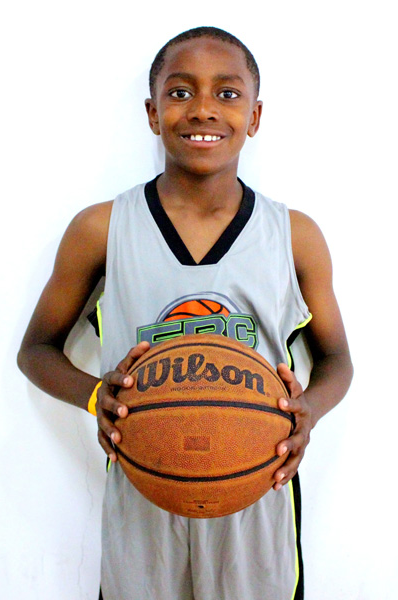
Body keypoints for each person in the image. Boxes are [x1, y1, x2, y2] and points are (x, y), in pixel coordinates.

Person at [18, 26, 353, 600]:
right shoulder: (101, 228)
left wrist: (308, 412)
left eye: (228, 93)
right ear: (152, 113)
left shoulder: (294, 235)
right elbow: (36, 350)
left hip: (258, 493)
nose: (203, 109)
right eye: (179, 92)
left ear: (254, 116)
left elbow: (337, 358)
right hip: (144, 492)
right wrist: (98, 396)